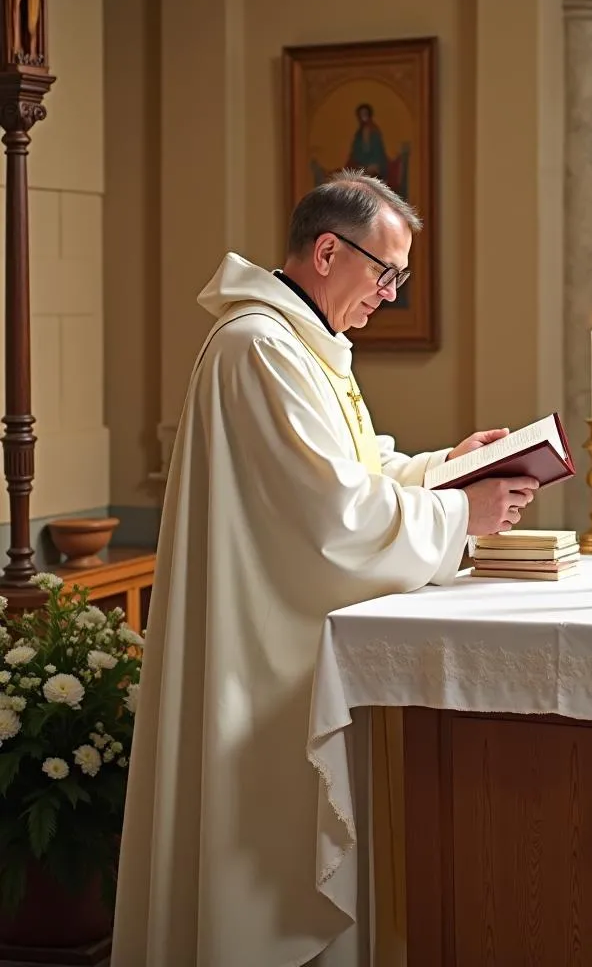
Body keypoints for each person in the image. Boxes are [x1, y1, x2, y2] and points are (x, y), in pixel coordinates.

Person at [110, 170, 539, 967]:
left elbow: (355, 471)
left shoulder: (302, 347)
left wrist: (448, 469)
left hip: (291, 650)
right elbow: (331, 518)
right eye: (386, 272)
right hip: (261, 670)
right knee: (261, 886)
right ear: (329, 251)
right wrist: (460, 516)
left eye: (399, 278)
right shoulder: (259, 349)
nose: (391, 293)